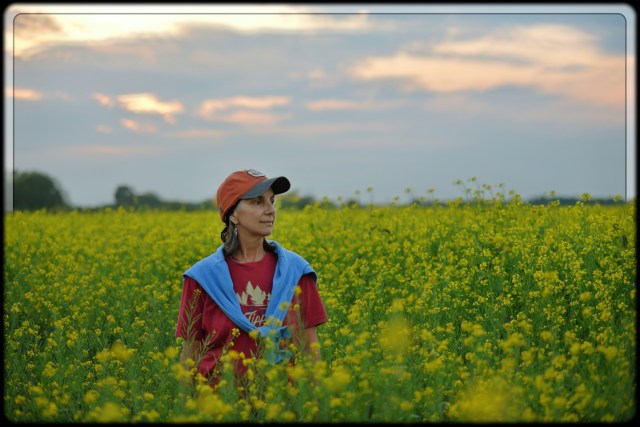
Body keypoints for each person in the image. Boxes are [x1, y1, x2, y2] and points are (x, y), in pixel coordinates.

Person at [175, 169, 328, 385]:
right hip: (218, 407)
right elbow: (190, 356)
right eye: (258, 202)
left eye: (272, 201)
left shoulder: (296, 272)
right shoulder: (201, 278)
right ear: (233, 213)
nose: (271, 210)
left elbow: (311, 353)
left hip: (284, 404)